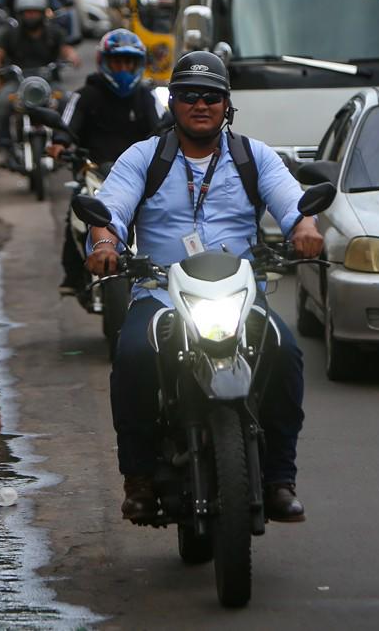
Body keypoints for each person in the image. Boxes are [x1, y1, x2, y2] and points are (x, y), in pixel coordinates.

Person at [86, 51, 324, 524]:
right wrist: (104, 242)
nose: (201, 105)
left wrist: (304, 230)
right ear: (172, 103)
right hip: (159, 293)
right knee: (132, 356)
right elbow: (109, 210)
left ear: (227, 105)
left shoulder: (255, 156)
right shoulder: (143, 156)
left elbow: (293, 204)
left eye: (211, 96)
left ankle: (279, 478)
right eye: (189, 96)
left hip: (239, 295)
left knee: (287, 352)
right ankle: (138, 479)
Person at [49, 29, 163, 295]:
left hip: (139, 177)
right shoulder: (86, 95)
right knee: (76, 215)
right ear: (104, 62)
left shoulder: (146, 98)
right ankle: (73, 275)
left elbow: (163, 129)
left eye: (129, 63)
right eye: (117, 62)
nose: (123, 69)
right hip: (93, 171)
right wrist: (59, 144)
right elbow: (66, 125)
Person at [0, 0, 80, 166]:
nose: (31, 16)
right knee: (2, 102)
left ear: (42, 13)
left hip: (49, 82)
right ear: (20, 14)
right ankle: (5, 147)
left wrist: (72, 56)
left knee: (67, 101)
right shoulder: (10, 34)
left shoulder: (54, 33)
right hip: (18, 83)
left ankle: (60, 143)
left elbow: (65, 49)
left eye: (35, 12)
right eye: (27, 12)